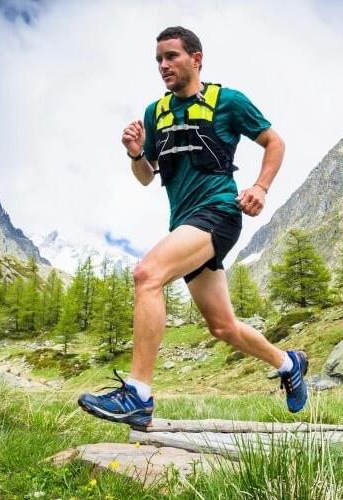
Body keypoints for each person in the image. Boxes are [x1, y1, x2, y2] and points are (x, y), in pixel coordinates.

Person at [78, 26, 308, 428]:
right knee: (222, 326)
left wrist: (260, 187)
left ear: (196, 59)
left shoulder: (228, 102)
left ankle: (138, 395)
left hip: (219, 212)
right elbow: (146, 176)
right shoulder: (156, 113)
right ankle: (289, 364)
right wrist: (135, 154)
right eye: (159, 60)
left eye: (171, 57)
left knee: (147, 275)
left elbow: (275, 143)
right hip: (185, 222)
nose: (163, 66)